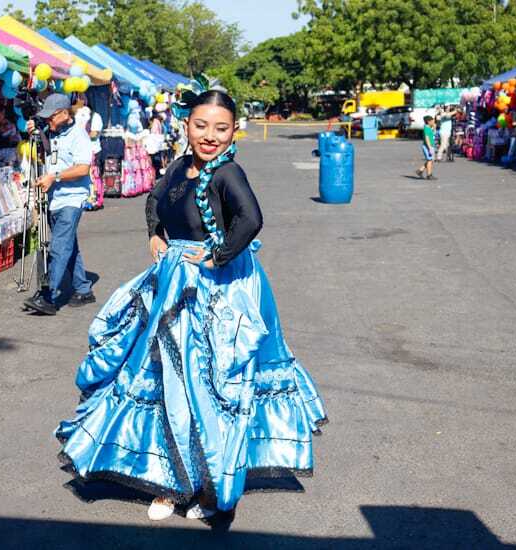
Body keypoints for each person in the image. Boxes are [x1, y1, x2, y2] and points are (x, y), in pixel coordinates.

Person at [56, 90, 328, 522]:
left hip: (218, 291)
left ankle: (207, 487)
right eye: (201, 125)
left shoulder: (228, 172)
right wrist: (155, 233)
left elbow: (251, 219)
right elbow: (156, 198)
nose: (210, 136)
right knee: (166, 380)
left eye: (221, 128)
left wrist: (217, 255)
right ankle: (167, 479)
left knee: (206, 389)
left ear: (233, 131)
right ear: (186, 125)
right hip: (173, 281)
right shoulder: (180, 166)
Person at [22, 94, 96, 316]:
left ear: (64, 113)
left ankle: (49, 295)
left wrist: (54, 177)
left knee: (59, 246)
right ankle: (83, 289)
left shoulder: (79, 135)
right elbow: (43, 148)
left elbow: (83, 168)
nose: (49, 121)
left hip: (73, 198)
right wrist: (35, 130)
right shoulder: (53, 131)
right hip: (55, 198)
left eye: (51, 117)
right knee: (68, 245)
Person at [416, 115, 437, 180]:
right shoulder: (426, 128)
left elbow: (433, 134)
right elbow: (427, 138)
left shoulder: (429, 128)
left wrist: (434, 128)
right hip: (428, 146)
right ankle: (429, 175)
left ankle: (420, 170)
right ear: (428, 121)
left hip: (431, 146)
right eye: (432, 120)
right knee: (429, 160)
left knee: (430, 160)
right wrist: (429, 147)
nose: (434, 121)